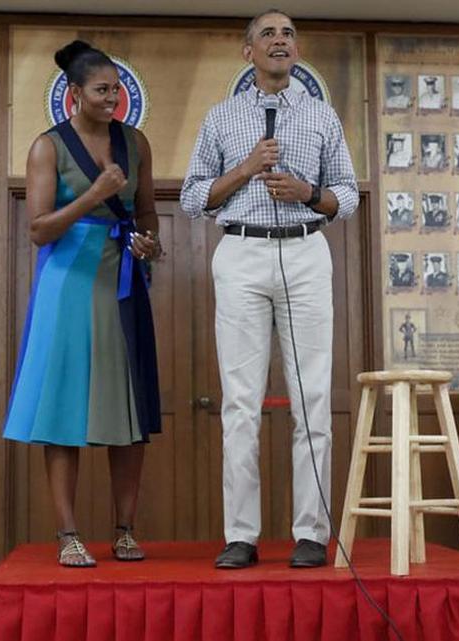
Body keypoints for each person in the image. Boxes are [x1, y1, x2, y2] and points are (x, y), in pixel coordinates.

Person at [180, 10, 357, 570]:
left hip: (305, 250)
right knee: (239, 403)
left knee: (313, 401)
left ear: (297, 50)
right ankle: (242, 535)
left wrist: (308, 192)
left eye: (287, 34)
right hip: (241, 253)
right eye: (267, 35)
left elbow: (347, 196)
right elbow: (192, 197)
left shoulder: (323, 117)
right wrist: (247, 167)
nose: (279, 41)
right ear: (247, 51)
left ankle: (311, 533)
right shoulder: (221, 118)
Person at [4, 40, 162, 569]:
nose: (111, 98)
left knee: (130, 410)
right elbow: (38, 229)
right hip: (68, 282)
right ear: (74, 93)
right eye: (101, 90)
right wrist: (94, 195)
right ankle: (68, 533)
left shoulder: (134, 141)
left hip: (122, 279)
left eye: (116, 89)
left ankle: (124, 530)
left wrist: (149, 244)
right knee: (63, 408)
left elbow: (146, 213)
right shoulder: (47, 147)